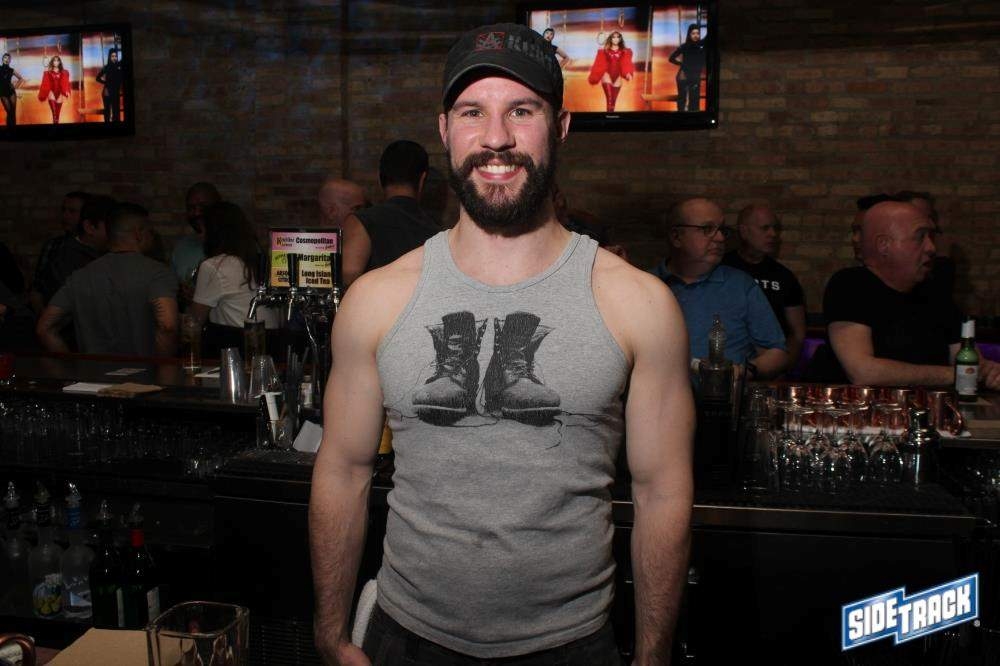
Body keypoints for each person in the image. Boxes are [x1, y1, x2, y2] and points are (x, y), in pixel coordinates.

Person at [310, 22, 693, 666]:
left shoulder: (639, 304)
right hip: (407, 639)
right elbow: (343, 471)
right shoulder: (377, 298)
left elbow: (662, 494)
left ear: (560, 126)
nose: (495, 138)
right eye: (472, 112)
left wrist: (652, 655)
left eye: (521, 110)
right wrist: (329, 631)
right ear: (444, 129)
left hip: (572, 645)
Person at [811, 201, 1000, 388]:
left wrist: (989, 373)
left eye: (931, 237)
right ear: (884, 245)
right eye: (920, 237)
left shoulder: (934, 292)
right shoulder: (850, 285)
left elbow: (968, 360)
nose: (931, 248)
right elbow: (863, 372)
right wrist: (957, 375)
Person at [651, 198, 789, 379]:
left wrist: (743, 372)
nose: (720, 238)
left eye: (722, 230)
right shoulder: (646, 285)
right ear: (676, 237)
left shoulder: (741, 285)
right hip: (657, 394)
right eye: (707, 229)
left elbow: (777, 352)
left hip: (726, 395)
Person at [36, 202, 178, 357]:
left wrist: (69, 365)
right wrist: (164, 367)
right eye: (150, 232)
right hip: (144, 371)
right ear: (138, 234)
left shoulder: (80, 276)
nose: (152, 237)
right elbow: (167, 325)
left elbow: (44, 328)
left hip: (91, 371)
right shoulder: (157, 273)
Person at [341, 140, 439, 288]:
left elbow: (348, 275)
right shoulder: (438, 234)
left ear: (379, 178)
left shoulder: (363, 221)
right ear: (422, 180)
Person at [188, 201, 280, 354]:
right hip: (272, 346)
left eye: (202, 230)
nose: (200, 235)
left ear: (214, 233)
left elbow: (195, 321)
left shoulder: (214, 266)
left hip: (236, 348)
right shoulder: (260, 261)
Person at [723, 204, 806, 369]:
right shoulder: (723, 268)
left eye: (775, 228)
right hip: (728, 362)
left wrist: (781, 367)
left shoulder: (784, 276)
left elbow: (797, 332)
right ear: (744, 231)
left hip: (770, 364)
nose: (773, 234)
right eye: (765, 228)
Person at [31, 194, 115, 308]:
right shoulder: (64, 257)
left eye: (72, 211)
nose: (65, 216)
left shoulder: (107, 253)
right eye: (111, 227)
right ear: (89, 227)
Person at [30, 191, 89, 313]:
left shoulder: (92, 248)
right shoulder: (53, 245)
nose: (65, 216)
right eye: (64, 210)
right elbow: (37, 288)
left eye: (72, 211)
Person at [171, 182, 221, 300]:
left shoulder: (237, 244)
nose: (196, 213)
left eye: (203, 207)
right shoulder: (181, 247)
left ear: (218, 207)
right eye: (191, 208)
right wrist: (181, 292)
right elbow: (173, 287)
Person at [588, 31, 634, 113]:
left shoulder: (625, 51)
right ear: (610, 38)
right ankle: (608, 117)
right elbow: (599, 64)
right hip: (607, 75)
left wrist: (628, 73)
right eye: (614, 37)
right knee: (609, 100)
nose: (616, 39)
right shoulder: (604, 51)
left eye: (618, 37)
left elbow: (626, 63)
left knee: (613, 103)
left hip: (617, 77)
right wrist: (594, 78)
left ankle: (611, 117)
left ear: (620, 39)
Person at [669, 25, 706, 112]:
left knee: (694, 100)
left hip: (694, 76)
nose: (696, 35)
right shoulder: (684, 46)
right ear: (689, 34)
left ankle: (692, 118)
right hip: (683, 76)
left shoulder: (700, 46)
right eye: (693, 33)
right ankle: (681, 117)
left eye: (697, 33)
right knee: (682, 99)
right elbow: (671, 58)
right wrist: (682, 64)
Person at [37, 55, 71, 124]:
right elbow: (45, 83)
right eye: (54, 61)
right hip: (51, 93)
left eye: (57, 61)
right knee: (54, 115)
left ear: (59, 62)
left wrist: (67, 91)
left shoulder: (64, 72)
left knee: (57, 117)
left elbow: (66, 82)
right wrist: (43, 94)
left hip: (60, 93)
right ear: (52, 62)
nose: (56, 62)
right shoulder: (48, 72)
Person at [95, 49, 123, 123]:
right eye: (112, 56)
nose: (114, 58)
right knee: (107, 112)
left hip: (115, 92)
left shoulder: (118, 66)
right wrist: (105, 82)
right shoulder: (107, 67)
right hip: (107, 92)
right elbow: (97, 78)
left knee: (115, 112)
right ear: (109, 57)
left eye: (115, 56)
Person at [0, 53, 26, 128]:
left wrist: (15, 87)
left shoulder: (12, 70)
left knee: (13, 112)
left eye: (8, 58)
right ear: (2, 59)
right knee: (9, 112)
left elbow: (21, 79)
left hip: (11, 93)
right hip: (2, 93)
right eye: (5, 58)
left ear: (10, 60)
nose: (6, 59)